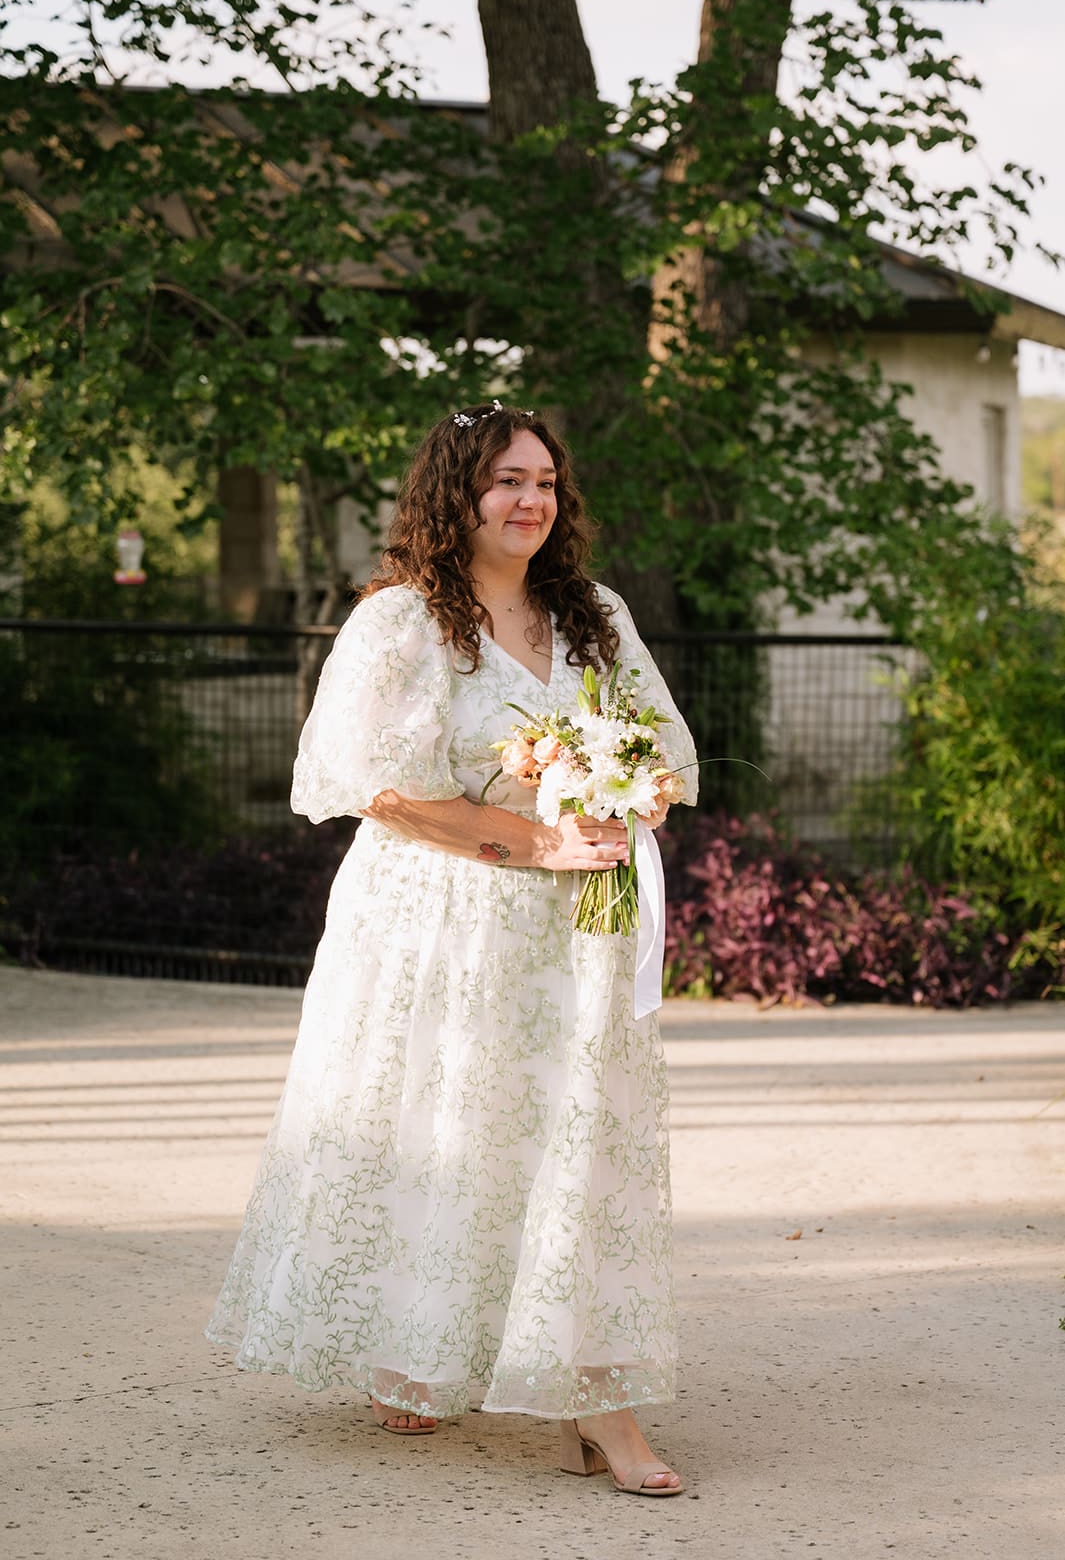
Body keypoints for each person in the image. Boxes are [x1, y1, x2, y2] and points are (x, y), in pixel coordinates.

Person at [205, 401, 698, 1497]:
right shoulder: (400, 622)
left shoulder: (596, 615)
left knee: (575, 1142)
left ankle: (594, 1396)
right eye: (506, 481)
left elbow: (666, 754)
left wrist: (629, 796)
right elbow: (370, 786)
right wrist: (533, 834)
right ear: (455, 493)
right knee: (435, 1128)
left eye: (545, 482)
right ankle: (419, 1353)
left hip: (573, 931)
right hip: (438, 918)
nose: (530, 500)